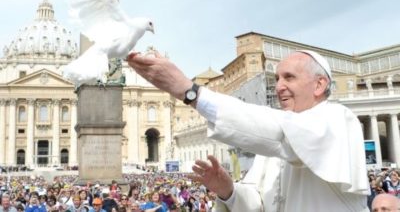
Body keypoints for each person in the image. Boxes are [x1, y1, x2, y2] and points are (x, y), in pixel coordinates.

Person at [127, 50, 370, 211]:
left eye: (289, 77)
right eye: (277, 79)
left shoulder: (339, 119)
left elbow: (279, 132)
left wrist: (190, 92)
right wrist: (228, 190)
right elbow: (257, 204)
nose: (279, 87)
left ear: (319, 84)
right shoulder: (273, 146)